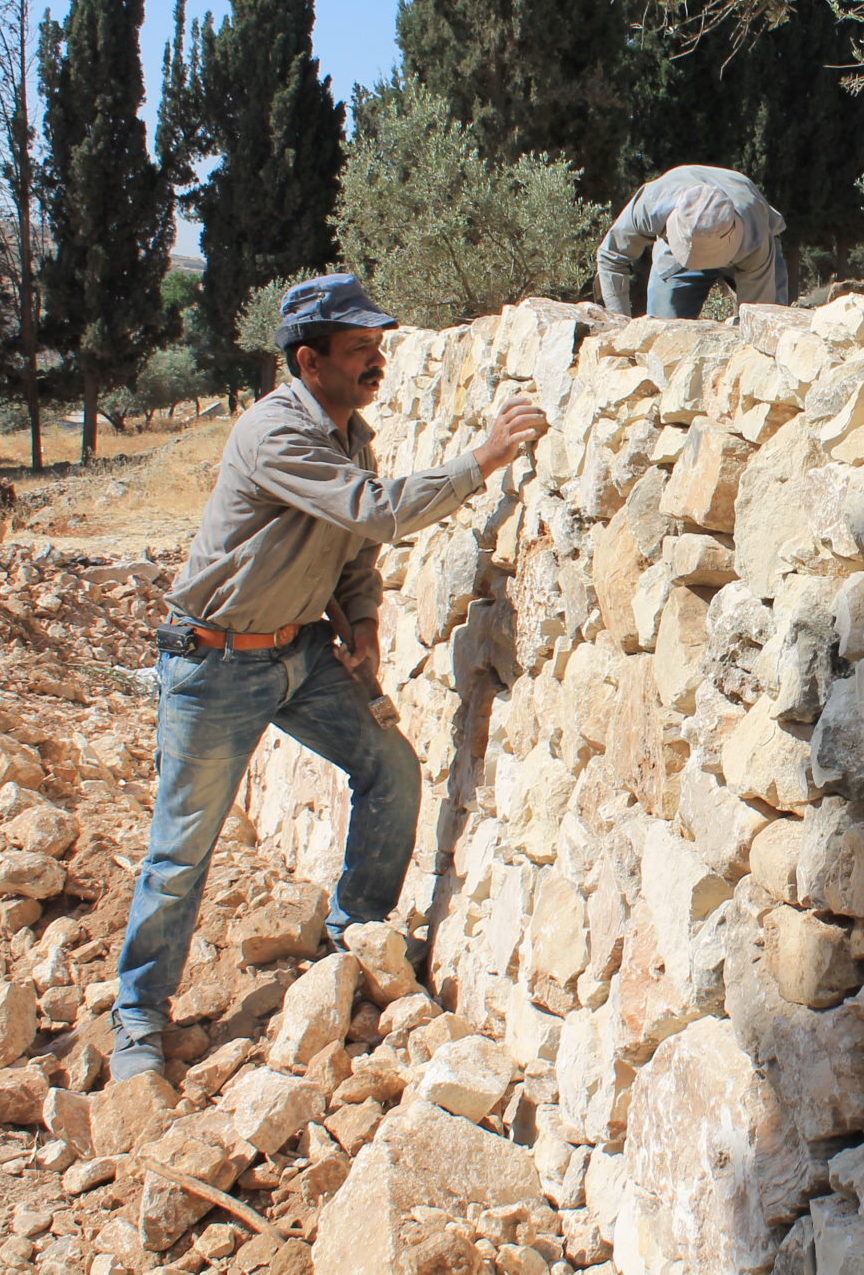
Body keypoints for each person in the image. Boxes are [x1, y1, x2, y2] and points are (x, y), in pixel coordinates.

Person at [109, 273, 549, 1082]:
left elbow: (356, 551)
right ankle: (138, 1020)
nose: (375, 362)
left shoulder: (350, 434)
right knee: (181, 851)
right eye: (359, 351)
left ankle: (356, 937)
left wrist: (368, 622)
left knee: (391, 770)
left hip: (299, 652)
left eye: (377, 348)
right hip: (213, 662)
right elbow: (374, 510)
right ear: (309, 362)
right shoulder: (274, 432)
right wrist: (482, 458)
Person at [596, 164, 790, 319]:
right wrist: (619, 323)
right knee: (663, 339)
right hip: (675, 251)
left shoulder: (755, 235)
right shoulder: (652, 204)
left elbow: (758, 318)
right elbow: (611, 257)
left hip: (746, 249)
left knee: (771, 335)